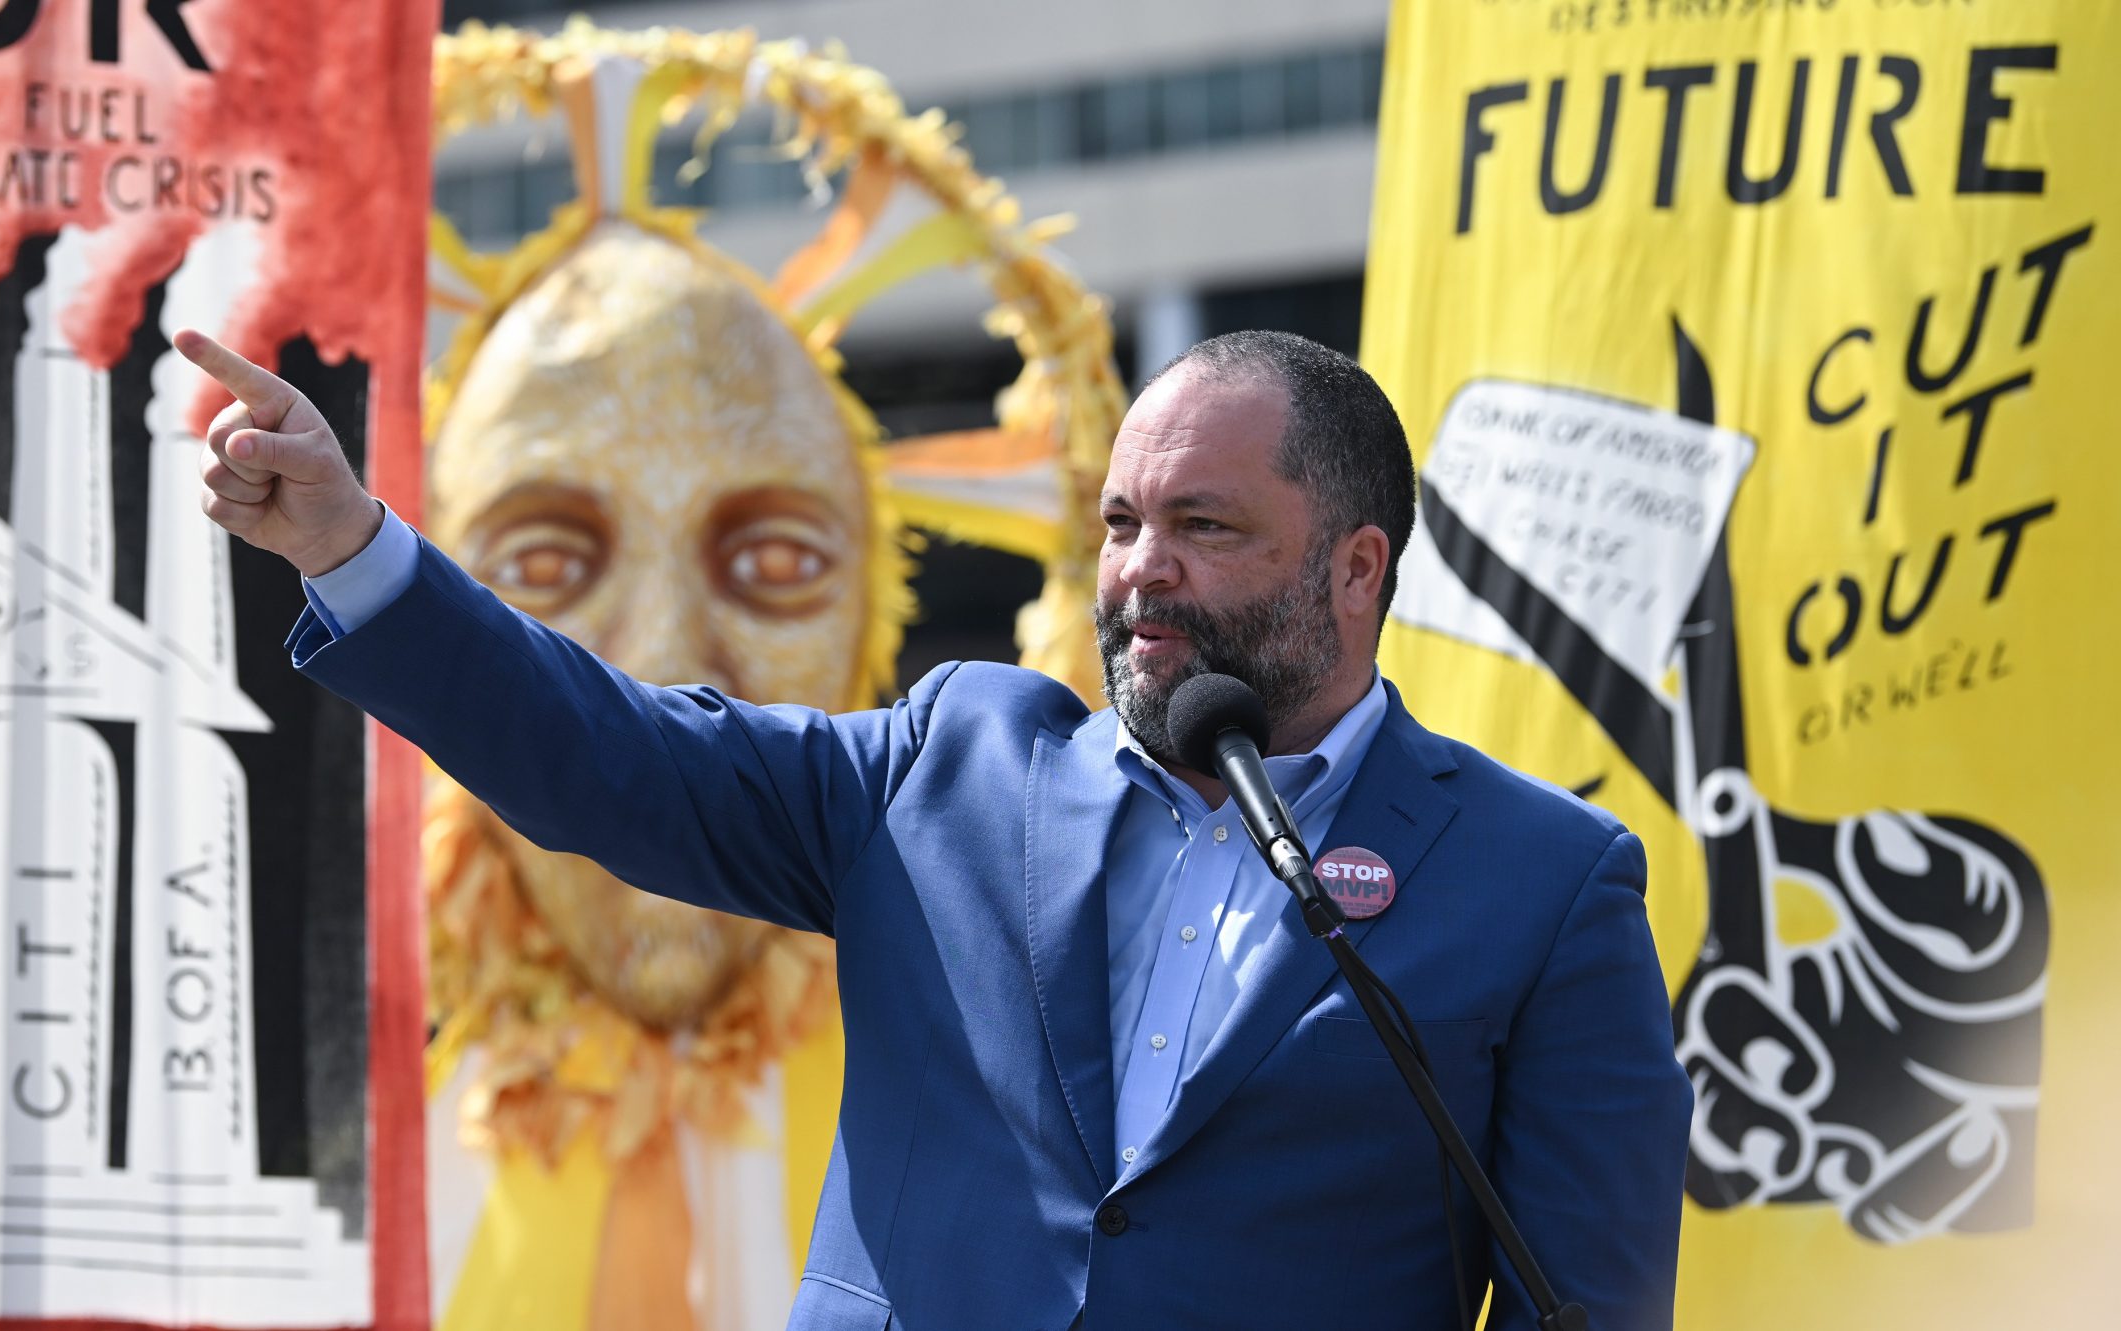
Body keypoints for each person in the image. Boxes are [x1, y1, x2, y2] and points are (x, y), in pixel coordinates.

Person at [175, 323, 1695, 1330]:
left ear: (1356, 570)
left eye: (1205, 529)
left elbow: (1592, 1307)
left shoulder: (1542, 882)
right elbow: (605, 756)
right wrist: (351, 549)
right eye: (1119, 525)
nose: (1139, 573)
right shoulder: (955, 764)